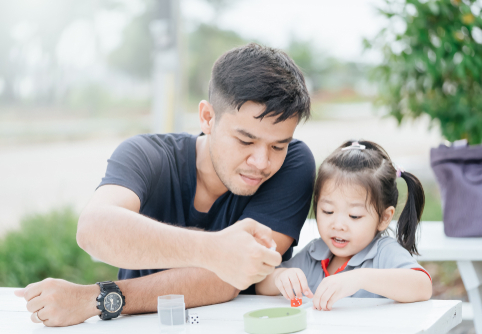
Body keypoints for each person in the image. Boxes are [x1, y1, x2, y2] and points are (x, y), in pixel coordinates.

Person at [14, 43, 316, 327]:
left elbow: (229, 278)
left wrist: (97, 299)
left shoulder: (294, 164)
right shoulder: (146, 155)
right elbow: (93, 228)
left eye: (278, 146)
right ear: (207, 118)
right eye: (245, 140)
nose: (262, 162)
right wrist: (214, 249)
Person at [255, 140, 433, 311]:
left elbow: (423, 285)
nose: (338, 225)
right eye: (327, 211)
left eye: (354, 216)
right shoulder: (315, 254)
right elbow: (261, 286)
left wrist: (359, 279)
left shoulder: (382, 253)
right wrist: (280, 277)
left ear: (384, 218)